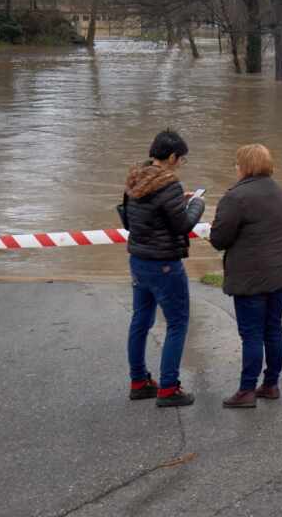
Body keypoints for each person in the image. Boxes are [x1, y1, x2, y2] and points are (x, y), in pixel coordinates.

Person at [208, 143, 282, 409]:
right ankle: (271, 384)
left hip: (251, 276)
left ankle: (246, 389)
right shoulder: (278, 190)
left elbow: (219, 238)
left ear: (244, 167)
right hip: (280, 271)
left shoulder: (236, 197)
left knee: (251, 333)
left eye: (237, 164)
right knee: (273, 328)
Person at [122, 129, 205, 408]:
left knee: (141, 320)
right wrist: (196, 206)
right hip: (164, 264)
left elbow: (132, 222)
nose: (181, 164)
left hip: (138, 259)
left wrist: (178, 203)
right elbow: (182, 226)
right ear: (172, 157)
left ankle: (138, 382)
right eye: (182, 159)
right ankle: (169, 388)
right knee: (178, 323)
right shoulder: (169, 184)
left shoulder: (135, 179)